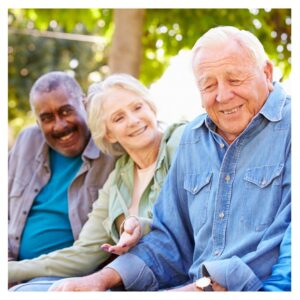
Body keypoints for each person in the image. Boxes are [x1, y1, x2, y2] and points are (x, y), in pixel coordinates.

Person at [48, 26, 291, 292]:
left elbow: (288, 269)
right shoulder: (194, 139)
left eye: (235, 80)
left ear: (266, 73)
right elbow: (170, 241)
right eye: (209, 85)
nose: (222, 95)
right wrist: (101, 280)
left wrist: (202, 288)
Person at [8, 73, 186, 291]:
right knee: (23, 291)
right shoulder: (119, 178)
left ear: (151, 106)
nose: (133, 120)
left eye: (138, 107)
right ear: (108, 134)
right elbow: (86, 252)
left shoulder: (181, 141)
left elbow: (177, 228)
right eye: (118, 118)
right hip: (124, 283)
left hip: (168, 282)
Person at [8, 71, 115, 282]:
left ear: (84, 104)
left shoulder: (111, 149)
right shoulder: (26, 142)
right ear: (38, 123)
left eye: (66, 111)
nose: (59, 125)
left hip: (73, 280)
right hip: (13, 274)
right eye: (47, 118)